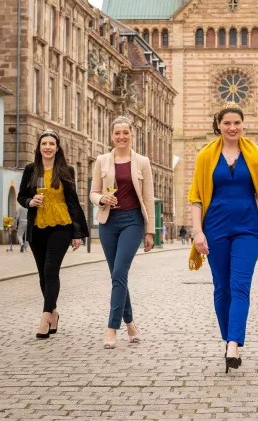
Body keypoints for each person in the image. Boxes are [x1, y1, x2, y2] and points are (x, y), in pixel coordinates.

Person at [189, 103, 258, 372]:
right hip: (215, 228)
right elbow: (196, 198)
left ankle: (234, 344)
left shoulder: (256, 153)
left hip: (247, 228)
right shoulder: (205, 156)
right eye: (227, 123)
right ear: (219, 126)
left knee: (240, 286)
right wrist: (198, 232)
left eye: (237, 123)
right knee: (221, 288)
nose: (233, 128)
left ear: (243, 125)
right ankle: (229, 338)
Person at [90, 116, 155, 349]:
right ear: (112, 135)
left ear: (131, 134)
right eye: (117, 133)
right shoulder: (101, 160)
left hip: (133, 221)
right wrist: (101, 199)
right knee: (117, 276)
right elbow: (93, 192)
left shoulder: (142, 162)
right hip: (108, 221)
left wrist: (150, 232)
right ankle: (130, 324)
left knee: (119, 271)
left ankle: (111, 327)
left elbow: (148, 197)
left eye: (125, 132)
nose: (121, 136)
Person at [17, 129, 89, 339]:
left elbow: (72, 202)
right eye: (44, 144)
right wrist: (30, 202)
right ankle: (54, 313)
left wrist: (77, 233)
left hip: (61, 225)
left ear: (57, 148)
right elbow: (22, 196)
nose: (47, 147)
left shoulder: (66, 170)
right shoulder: (31, 170)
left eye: (51, 144)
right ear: (39, 148)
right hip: (37, 226)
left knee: (51, 270)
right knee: (42, 274)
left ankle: (45, 316)